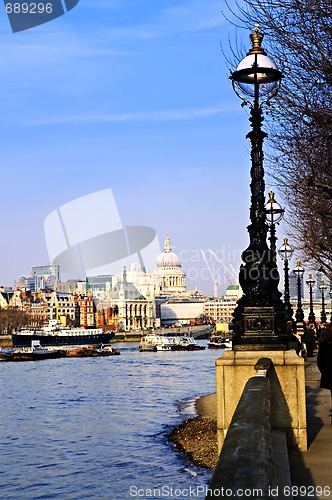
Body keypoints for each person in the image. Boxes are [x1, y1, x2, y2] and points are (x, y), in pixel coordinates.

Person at [317, 324, 332, 395]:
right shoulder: (325, 344)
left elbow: (319, 361)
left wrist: (325, 372)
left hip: (329, 374)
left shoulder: (324, 344)